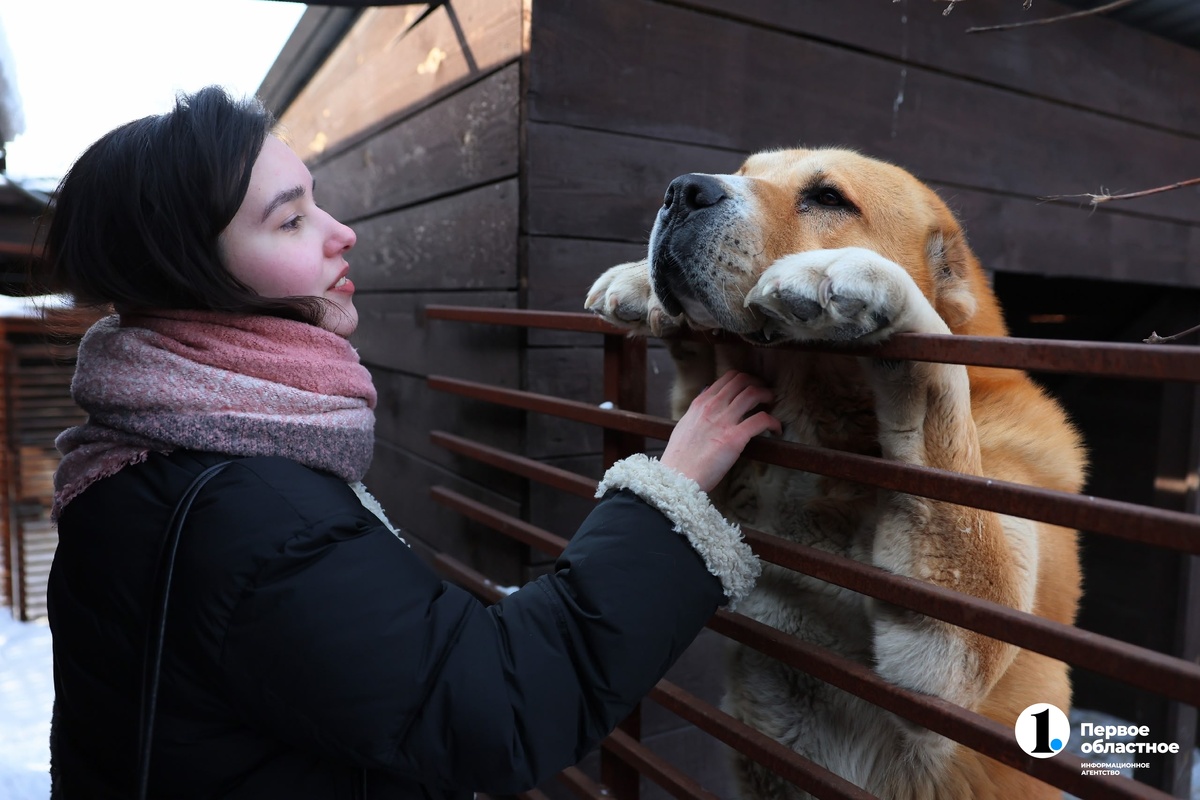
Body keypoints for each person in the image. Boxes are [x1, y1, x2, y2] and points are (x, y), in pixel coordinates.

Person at [43, 86, 781, 800]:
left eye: (314, 199)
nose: (342, 231)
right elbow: (500, 707)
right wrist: (668, 496)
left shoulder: (135, 453)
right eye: (290, 221)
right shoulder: (243, 516)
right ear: (194, 279)